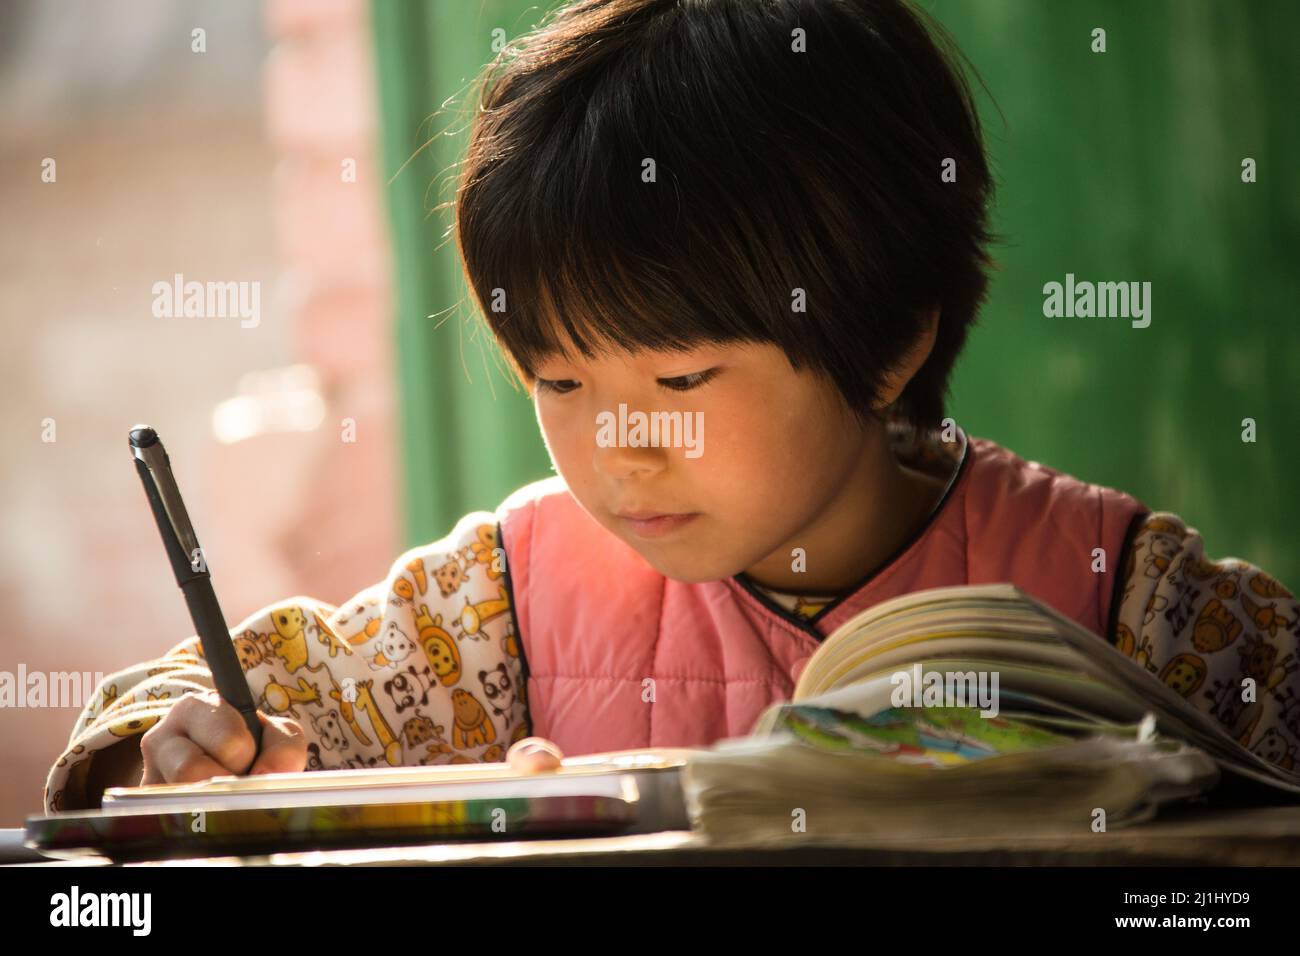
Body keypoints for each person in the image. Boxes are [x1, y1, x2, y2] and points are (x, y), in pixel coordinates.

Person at [45, 0, 1299, 814]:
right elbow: (156, 714)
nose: (614, 449)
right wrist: (175, 748)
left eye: (681, 382)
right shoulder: (500, 606)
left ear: (888, 341)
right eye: (560, 381)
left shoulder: (1123, 597)